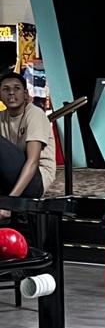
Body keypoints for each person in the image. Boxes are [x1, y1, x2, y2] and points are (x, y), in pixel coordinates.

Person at [0, 71, 56, 219]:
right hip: (11, 178)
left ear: (25, 94)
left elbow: (33, 162)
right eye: (5, 89)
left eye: (17, 88)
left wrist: (9, 204)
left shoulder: (35, 114)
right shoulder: (2, 117)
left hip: (36, 180)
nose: (11, 92)